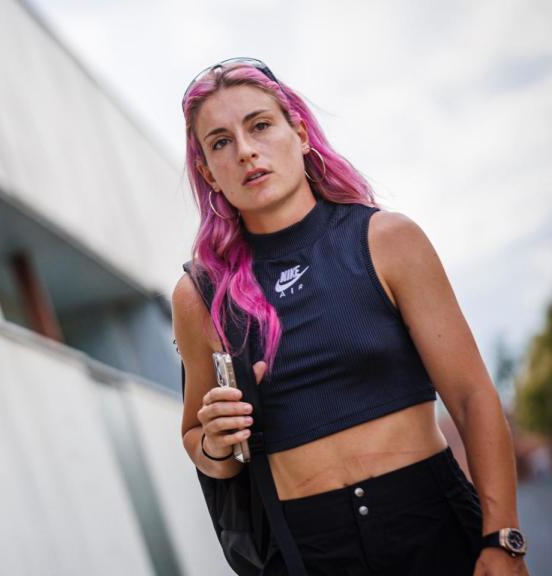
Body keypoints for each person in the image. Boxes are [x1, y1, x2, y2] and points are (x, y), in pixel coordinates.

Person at [171, 58, 529, 575]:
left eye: (260, 125)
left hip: (433, 523)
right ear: (208, 170)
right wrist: (215, 442)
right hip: (305, 552)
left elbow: (473, 396)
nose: (246, 150)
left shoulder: (387, 240)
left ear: (298, 130)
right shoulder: (200, 294)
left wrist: (503, 538)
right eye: (220, 142)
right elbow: (200, 445)